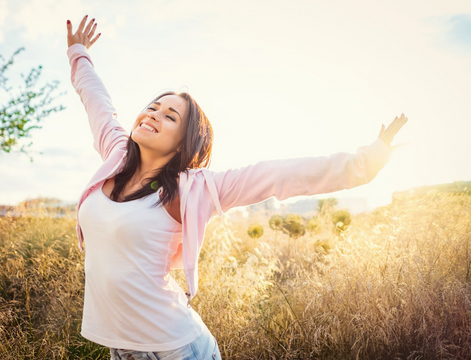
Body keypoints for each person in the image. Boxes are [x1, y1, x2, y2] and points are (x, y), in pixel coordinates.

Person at [66, 14, 407, 360]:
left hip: (177, 350)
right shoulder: (116, 156)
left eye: (170, 116)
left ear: (184, 144)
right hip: (120, 349)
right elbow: (97, 102)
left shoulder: (191, 190)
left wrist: (366, 162)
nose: (153, 114)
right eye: (152, 107)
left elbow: (279, 174)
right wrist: (79, 52)